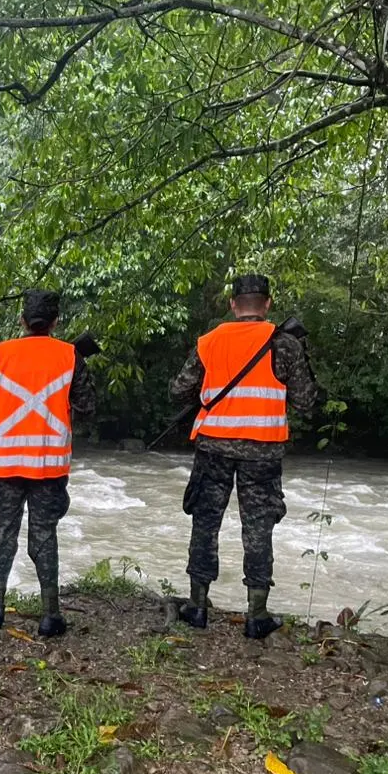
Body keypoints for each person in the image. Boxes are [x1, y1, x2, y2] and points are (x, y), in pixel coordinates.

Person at [169, 274, 319, 639]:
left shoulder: (210, 341)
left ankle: (198, 606)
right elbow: (306, 401)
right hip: (263, 453)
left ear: (233, 305)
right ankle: (257, 614)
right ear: (267, 304)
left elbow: (178, 390)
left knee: (205, 524)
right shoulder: (284, 345)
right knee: (258, 529)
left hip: (213, 449)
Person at [0, 290, 96, 636]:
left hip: (5, 464)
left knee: (3, 535)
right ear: (56, 322)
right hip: (48, 465)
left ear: (23, 320)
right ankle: (50, 614)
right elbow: (87, 410)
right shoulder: (71, 356)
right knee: (45, 535)